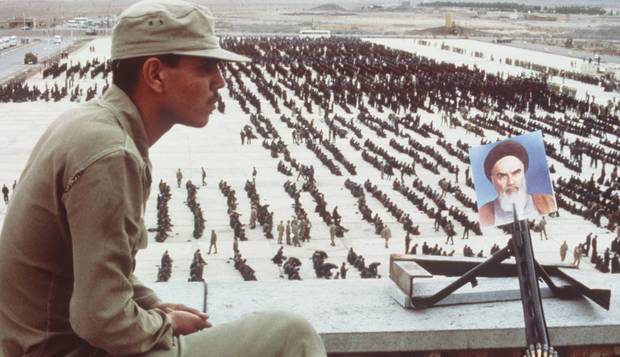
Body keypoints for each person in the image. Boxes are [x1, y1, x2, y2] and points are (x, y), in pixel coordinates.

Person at [0, 1, 326, 356]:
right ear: (155, 74)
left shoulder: (92, 125)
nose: (220, 81)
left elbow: (97, 271)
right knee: (292, 334)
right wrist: (164, 324)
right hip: (62, 350)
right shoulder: (112, 152)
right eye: (205, 67)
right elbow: (99, 318)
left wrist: (154, 306)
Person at [479, 140, 556, 226]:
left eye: (516, 173)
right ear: (493, 180)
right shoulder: (483, 214)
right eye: (502, 176)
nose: (510, 182)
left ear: (523, 173)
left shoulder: (548, 202)